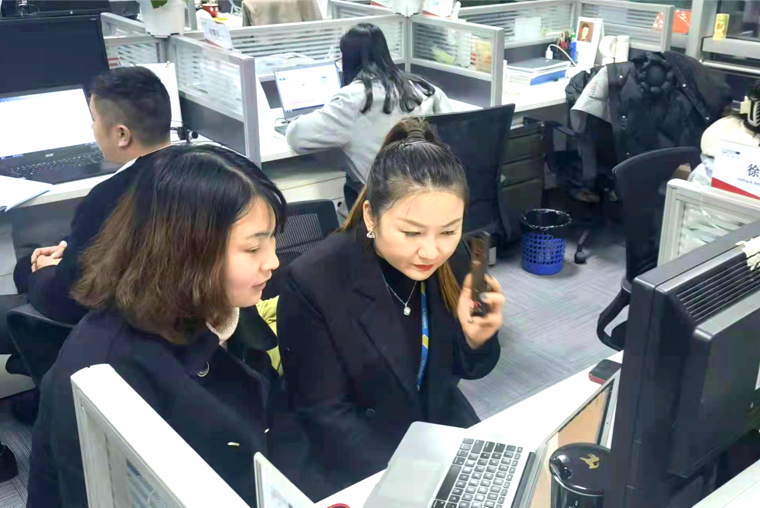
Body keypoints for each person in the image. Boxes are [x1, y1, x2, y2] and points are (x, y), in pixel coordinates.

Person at [27, 145, 286, 508]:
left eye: (272, 239)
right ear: (187, 252)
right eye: (252, 249)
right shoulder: (106, 368)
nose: (273, 261)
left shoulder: (222, 304)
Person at [277, 118, 504, 498]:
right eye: (411, 232)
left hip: (434, 427)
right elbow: (325, 415)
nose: (431, 251)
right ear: (371, 215)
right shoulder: (314, 281)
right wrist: (407, 484)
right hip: (361, 453)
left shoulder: (456, 256)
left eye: (449, 230)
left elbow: (466, 371)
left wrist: (477, 340)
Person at [0, 67, 172, 378]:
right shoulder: (199, 173)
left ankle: (55, 367)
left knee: (27, 267)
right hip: (165, 305)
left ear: (121, 134)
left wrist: (45, 271)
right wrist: (70, 249)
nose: (91, 128)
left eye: (93, 119)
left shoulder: (108, 196)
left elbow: (65, 299)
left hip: (118, 317)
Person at [286, 23, 454, 186]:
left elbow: (297, 137)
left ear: (349, 59)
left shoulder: (352, 99)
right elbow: (454, 134)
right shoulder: (425, 89)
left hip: (382, 196)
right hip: (428, 188)